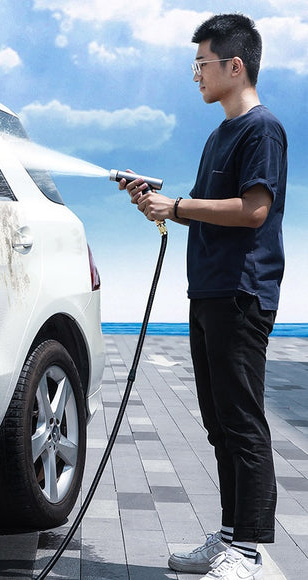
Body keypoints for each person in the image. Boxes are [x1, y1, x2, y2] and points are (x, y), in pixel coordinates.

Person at [119, 13, 287, 580]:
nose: (195, 74)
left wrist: (179, 208)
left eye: (202, 64)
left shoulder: (262, 130)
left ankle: (250, 554)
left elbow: (254, 210)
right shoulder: (219, 135)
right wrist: (166, 200)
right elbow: (211, 208)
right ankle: (232, 537)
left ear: (233, 66)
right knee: (218, 420)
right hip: (210, 291)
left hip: (242, 294)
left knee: (242, 420)